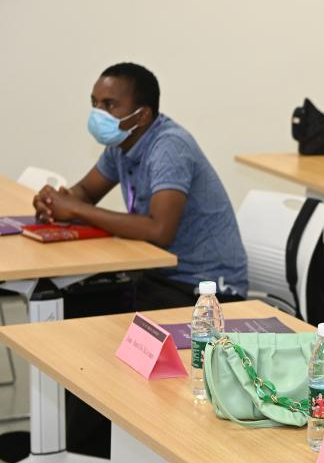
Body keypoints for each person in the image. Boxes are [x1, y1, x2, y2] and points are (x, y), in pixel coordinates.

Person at [32, 62, 248, 309]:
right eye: (95, 103)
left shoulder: (170, 147)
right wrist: (54, 202)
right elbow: (86, 192)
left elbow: (159, 231)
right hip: (158, 273)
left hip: (204, 288)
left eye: (109, 105)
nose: (98, 113)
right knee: (70, 300)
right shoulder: (122, 144)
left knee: (92, 315)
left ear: (142, 115)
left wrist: (74, 208)